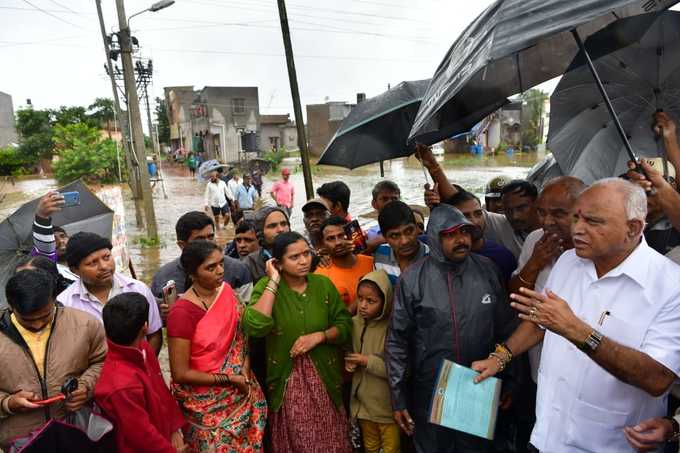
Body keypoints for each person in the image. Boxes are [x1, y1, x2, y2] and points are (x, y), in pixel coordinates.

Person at [472, 178, 680, 453]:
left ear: (633, 228)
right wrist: (501, 357)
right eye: (576, 218)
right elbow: (540, 321)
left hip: (608, 444)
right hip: (546, 434)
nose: (577, 229)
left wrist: (576, 329)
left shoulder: (670, 286)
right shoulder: (570, 261)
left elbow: (657, 379)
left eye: (592, 222)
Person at [386, 204, 518, 453]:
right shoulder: (413, 279)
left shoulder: (487, 269)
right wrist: (398, 397)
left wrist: (511, 378)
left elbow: (506, 327)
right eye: (450, 234)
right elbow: (397, 341)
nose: (461, 240)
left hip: (480, 384)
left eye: (465, 232)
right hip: (431, 388)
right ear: (435, 238)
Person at [243, 232, 353, 453]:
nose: (304, 261)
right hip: (288, 380)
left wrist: (320, 336)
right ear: (278, 263)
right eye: (294, 257)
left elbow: (345, 326)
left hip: (324, 378)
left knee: (332, 439)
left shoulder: (322, 285)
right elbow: (255, 326)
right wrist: (273, 280)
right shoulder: (266, 287)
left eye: (306, 254)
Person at [167, 240, 267, 452]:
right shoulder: (182, 314)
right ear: (193, 273)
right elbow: (180, 373)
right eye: (210, 268)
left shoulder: (227, 292)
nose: (220, 271)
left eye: (221, 263)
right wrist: (230, 379)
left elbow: (241, 338)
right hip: (206, 406)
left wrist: (245, 369)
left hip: (241, 389)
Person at [0, 269, 106, 449]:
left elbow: (103, 361)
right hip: (20, 440)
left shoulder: (85, 325)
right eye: (27, 320)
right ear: (11, 306)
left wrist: (86, 386)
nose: (38, 325)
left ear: (54, 300)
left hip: (76, 430)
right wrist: (8, 403)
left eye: (44, 317)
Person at [506, 176, 586, 380]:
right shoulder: (535, 239)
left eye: (558, 213)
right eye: (541, 212)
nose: (547, 222)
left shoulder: (595, 251)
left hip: (583, 372)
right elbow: (517, 299)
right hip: (541, 364)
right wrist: (535, 262)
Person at [95, 293, 186, 453]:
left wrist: (173, 427)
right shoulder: (122, 385)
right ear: (145, 327)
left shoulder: (143, 348)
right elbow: (140, 433)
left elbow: (160, 387)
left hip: (162, 431)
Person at [418, 145, 539, 258]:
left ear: (537, 204)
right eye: (508, 210)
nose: (515, 216)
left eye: (521, 208)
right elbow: (461, 202)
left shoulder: (553, 229)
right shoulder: (503, 224)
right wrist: (434, 167)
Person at [57, 232, 163, 354]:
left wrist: (144, 366)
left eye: (107, 257)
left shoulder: (138, 289)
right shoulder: (65, 304)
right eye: (92, 263)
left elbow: (154, 334)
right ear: (75, 270)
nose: (103, 266)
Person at [346, 270, 399, 453]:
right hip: (362, 406)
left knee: (391, 448)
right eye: (360, 299)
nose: (362, 305)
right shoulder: (354, 323)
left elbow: (396, 369)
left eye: (371, 301)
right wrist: (350, 363)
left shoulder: (392, 329)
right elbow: (348, 352)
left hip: (386, 409)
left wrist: (366, 361)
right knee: (370, 447)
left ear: (385, 302)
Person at [151, 211, 253, 307]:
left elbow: (246, 313)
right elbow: (153, 319)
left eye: (211, 237)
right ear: (182, 245)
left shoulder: (238, 270)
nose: (207, 244)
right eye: (199, 240)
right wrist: (163, 314)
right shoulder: (162, 277)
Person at [445, 190, 518, 282]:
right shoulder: (441, 256)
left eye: (478, 214)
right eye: (466, 216)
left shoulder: (502, 257)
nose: (475, 221)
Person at [315, 216, 375, 313]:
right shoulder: (319, 278)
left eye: (342, 235)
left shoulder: (371, 262)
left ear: (351, 235)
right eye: (330, 238)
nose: (338, 242)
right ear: (322, 244)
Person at [373, 201, 429, 285]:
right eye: (395, 236)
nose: (404, 241)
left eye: (409, 231)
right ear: (385, 238)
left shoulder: (432, 258)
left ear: (417, 228)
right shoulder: (381, 254)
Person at [30, 190, 78, 282]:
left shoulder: (83, 262)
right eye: (53, 239)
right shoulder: (47, 271)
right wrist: (42, 217)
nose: (61, 241)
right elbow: (45, 250)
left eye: (62, 236)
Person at [242, 207, 291, 283]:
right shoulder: (250, 265)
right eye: (272, 226)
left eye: (284, 224)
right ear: (260, 232)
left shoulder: (304, 255)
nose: (281, 229)